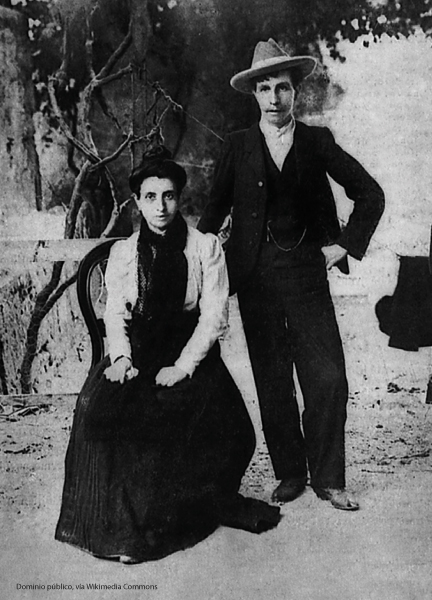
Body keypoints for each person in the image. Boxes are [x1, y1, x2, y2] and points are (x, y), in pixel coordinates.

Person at [55, 147, 280, 564]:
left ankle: (158, 522)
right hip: (138, 351)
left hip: (189, 353)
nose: (160, 207)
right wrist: (121, 359)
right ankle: (119, 527)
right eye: (151, 197)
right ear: (137, 202)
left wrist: (182, 367)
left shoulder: (205, 248)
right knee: (97, 409)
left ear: (180, 198)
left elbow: (212, 318)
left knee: (177, 415)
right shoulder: (124, 253)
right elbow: (115, 315)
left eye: (169, 196)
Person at [198, 39, 385, 511]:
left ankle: (329, 478)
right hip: (255, 278)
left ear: (295, 91)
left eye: (282, 87)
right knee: (272, 378)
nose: (274, 98)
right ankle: (290, 473)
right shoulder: (238, 146)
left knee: (328, 376)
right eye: (264, 89)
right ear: (254, 94)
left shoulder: (317, 142)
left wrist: (343, 245)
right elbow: (212, 215)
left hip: (306, 275)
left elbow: (370, 193)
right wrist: (198, 268)